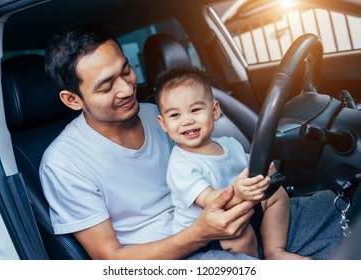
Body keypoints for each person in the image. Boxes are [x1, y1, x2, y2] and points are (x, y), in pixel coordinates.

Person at [40, 22, 343, 260]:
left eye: (126, 71)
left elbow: (208, 163)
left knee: (339, 207)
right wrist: (200, 233)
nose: (126, 89)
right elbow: (109, 259)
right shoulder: (64, 163)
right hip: (174, 260)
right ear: (72, 99)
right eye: (106, 85)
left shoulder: (155, 114)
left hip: (229, 220)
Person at [155, 66, 311, 260]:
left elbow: (252, 168)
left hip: (242, 211)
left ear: (215, 111)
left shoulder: (230, 143)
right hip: (210, 232)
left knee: (277, 194)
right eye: (175, 115)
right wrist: (238, 192)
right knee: (240, 235)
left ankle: (274, 251)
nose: (187, 120)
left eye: (195, 110)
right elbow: (210, 200)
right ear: (163, 124)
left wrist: (265, 172)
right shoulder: (181, 165)